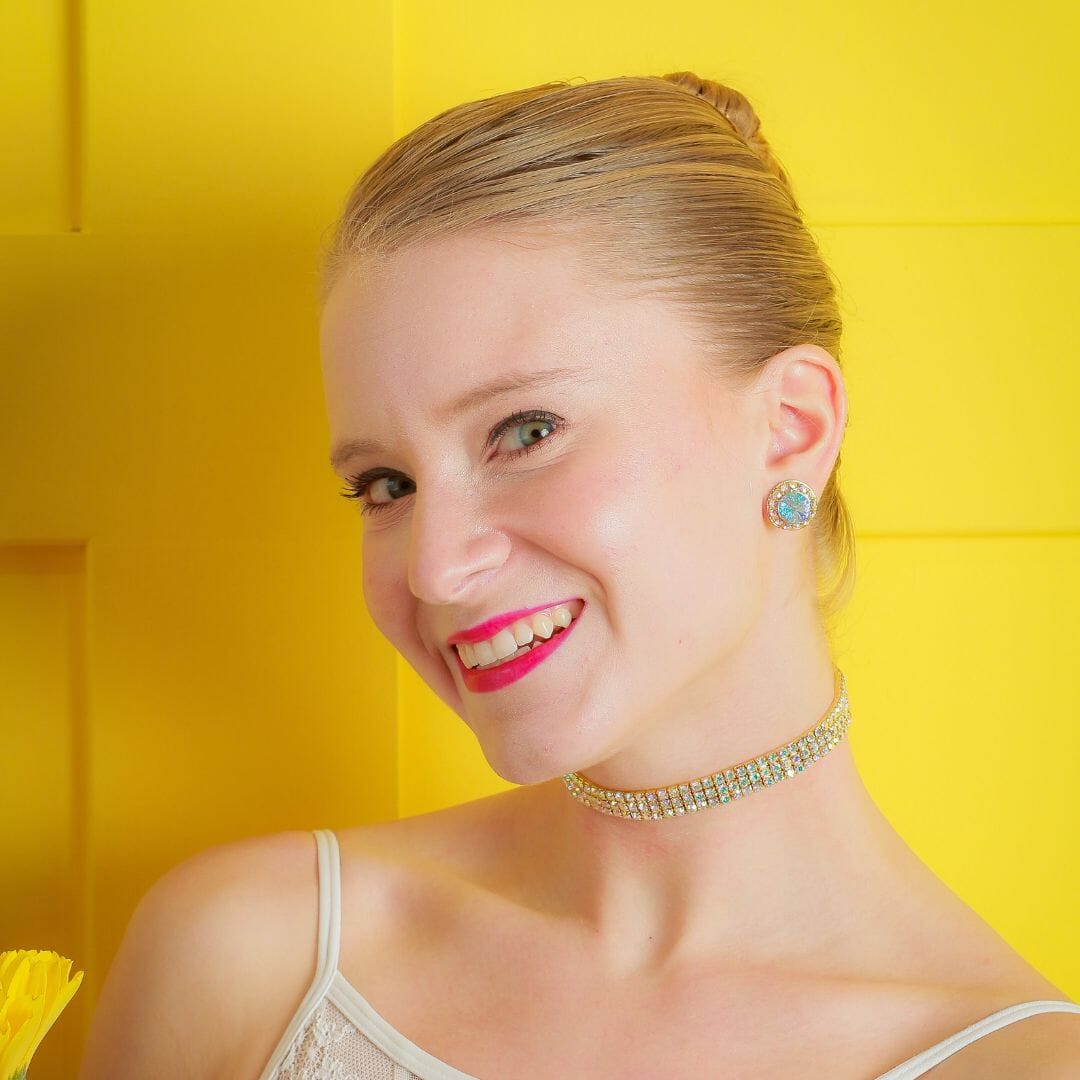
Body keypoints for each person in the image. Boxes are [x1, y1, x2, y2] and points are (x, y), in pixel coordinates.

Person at [79, 71, 1079, 1079]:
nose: (435, 569)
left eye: (526, 432)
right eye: (387, 485)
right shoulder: (246, 961)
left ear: (790, 428)